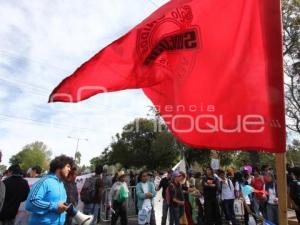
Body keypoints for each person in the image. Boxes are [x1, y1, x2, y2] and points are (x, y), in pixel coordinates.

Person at [25, 155, 74, 225]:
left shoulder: (61, 184)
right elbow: (31, 203)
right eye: (68, 166)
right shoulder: (44, 181)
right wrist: (55, 206)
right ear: (59, 166)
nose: (70, 169)